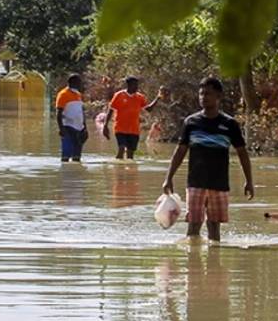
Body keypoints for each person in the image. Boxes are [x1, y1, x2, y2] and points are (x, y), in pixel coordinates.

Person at [162, 77, 254, 242]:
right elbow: (180, 151)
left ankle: (214, 264)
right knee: (193, 227)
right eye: (201, 93)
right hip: (196, 183)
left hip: (219, 184)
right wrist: (168, 178)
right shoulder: (191, 122)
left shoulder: (229, 124)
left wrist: (249, 181)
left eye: (208, 94)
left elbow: (242, 153)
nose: (203, 97)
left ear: (218, 96)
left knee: (214, 228)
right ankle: (193, 264)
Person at [102, 76, 168, 159]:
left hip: (134, 130)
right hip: (120, 128)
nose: (137, 87)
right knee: (121, 149)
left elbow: (149, 109)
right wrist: (105, 126)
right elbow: (110, 110)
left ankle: (129, 170)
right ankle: (118, 169)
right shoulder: (119, 95)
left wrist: (157, 98)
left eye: (137, 85)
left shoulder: (140, 97)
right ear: (128, 85)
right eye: (134, 85)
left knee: (130, 155)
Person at [54, 73, 88, 162]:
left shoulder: (78, 95)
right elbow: (58, 112)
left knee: (77, 156)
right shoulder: (63, 94)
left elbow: (81, 112)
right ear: (73, 82)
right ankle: (66, 173)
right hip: (68, 126)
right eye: (79, 82)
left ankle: (76, 172)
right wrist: (61, 128)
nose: (81, 84)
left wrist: (85, 128)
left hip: (79, 127)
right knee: (66, 155)